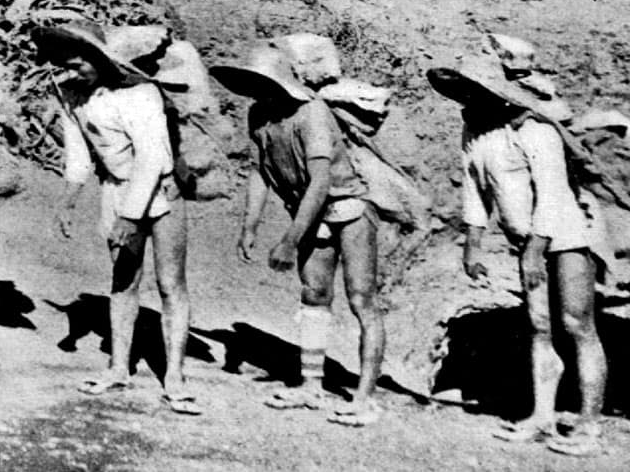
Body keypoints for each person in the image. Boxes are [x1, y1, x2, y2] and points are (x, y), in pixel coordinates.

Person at [427, 47, 609, 456]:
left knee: (576, 322)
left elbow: (553, 195)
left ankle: (588, 425)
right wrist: (472, 243)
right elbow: (475, 188)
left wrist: (534, 252)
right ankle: (542, 416)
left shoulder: (535, 131)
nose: (468, 98)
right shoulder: (476, 132)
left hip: (566, 230)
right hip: (528, 237)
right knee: (539, 325)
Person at [210, 44, 385, 427]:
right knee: (313, 294)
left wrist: (290, 240)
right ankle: (311, 386)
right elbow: (258, 171)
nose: (256, 89)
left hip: (348, 208)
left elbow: (321, 181)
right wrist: (250, 224)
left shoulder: (311, 114)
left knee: (361, 298)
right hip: (307, 211)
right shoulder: (259, 115)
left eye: (263, 82)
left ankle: (365, 398)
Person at [31, 23, 201, 415]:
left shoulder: (140, 95)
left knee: (169, 282)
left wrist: (129, 217)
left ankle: (174, 377)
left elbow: (153, 159)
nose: (72, 74)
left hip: (159, 189)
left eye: (78, 65)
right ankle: (118, 368)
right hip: (116, 187)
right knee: (123, 279)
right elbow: (79, 155)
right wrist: (69, 200)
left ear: (99, 59)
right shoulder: (72, 94)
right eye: (65, 66)